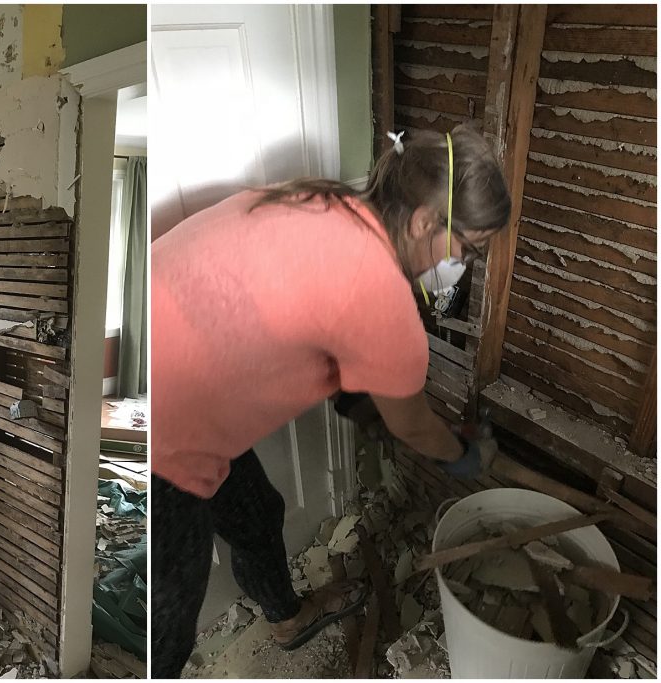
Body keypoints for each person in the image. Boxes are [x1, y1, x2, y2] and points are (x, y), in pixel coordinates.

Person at [150, 125, 511, 677]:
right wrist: (462, 455)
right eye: (467, 248)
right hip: (166, 433)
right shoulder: (383, 299)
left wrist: (358, 401)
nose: (464, 264)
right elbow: (415, 427)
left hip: (171, 364)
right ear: (422, 222)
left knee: (256, 515)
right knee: (169, 623)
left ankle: (287, 619)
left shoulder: (326, 198)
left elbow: (297, 301)